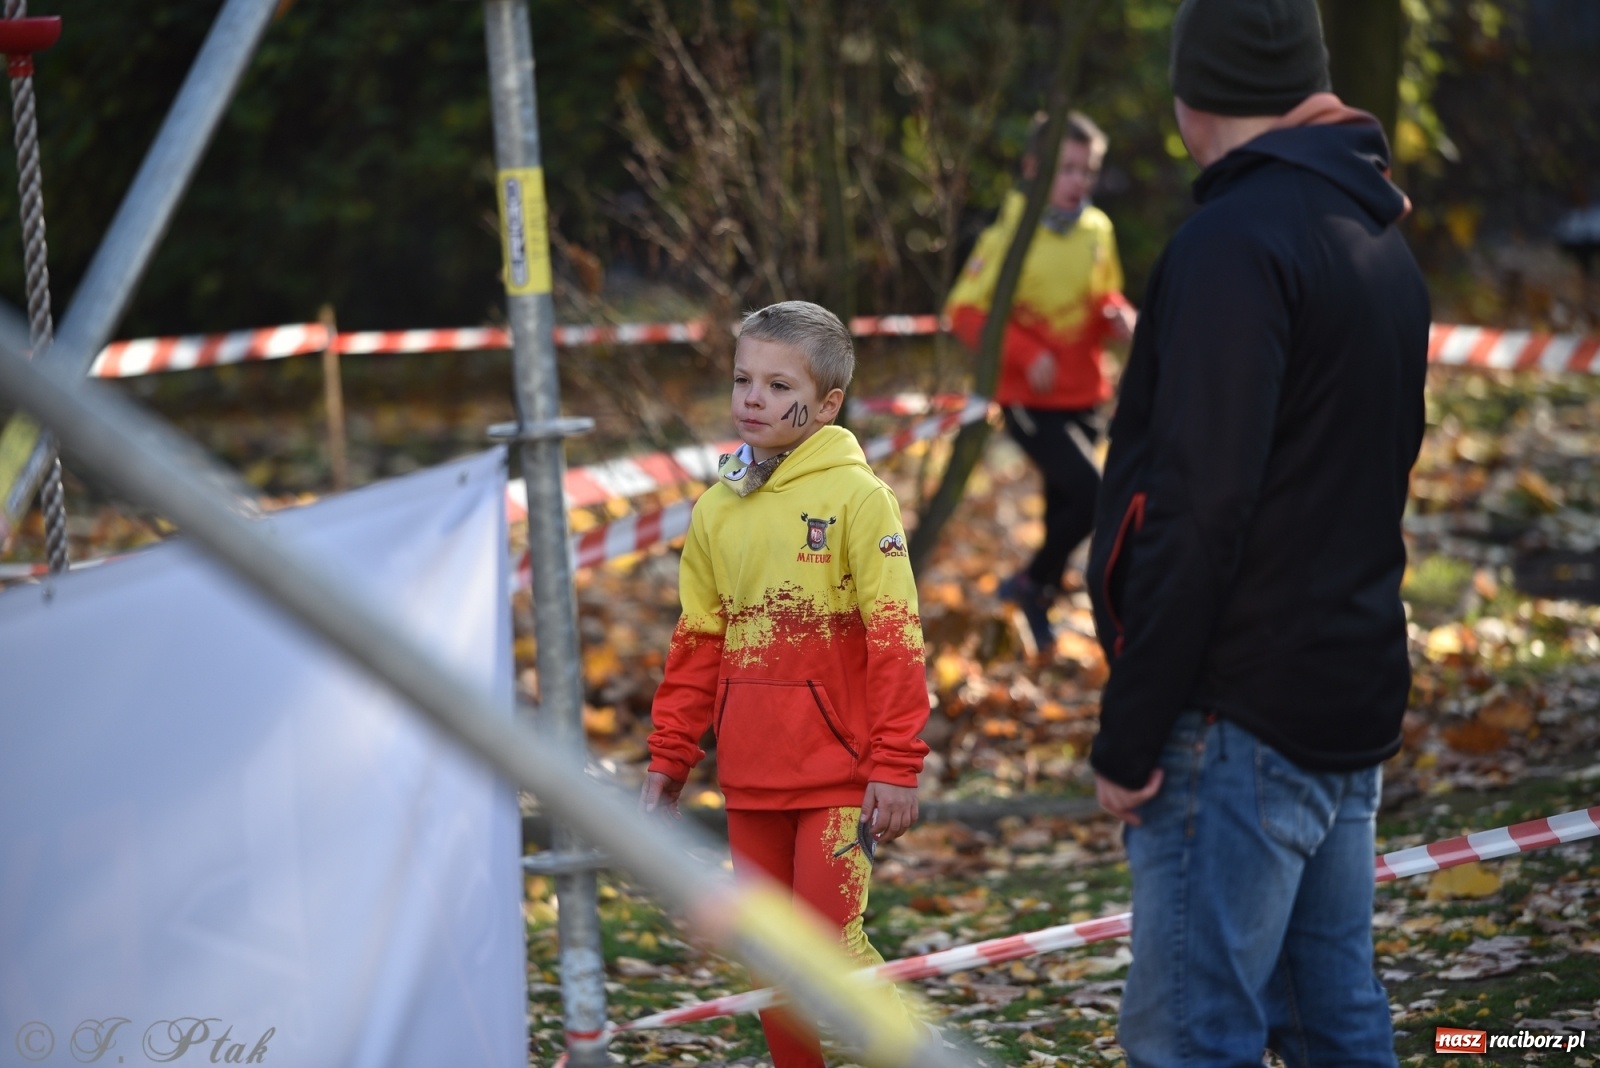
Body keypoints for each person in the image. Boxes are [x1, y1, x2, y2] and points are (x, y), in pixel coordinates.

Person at [1085, 0, 1430, 1065]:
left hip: (1232, 720)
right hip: (1340, 694)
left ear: (1197, 97)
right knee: (1335, 1024)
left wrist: (1132, 732)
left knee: (1193, 1039)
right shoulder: (1373, 231)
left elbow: (1196, 505)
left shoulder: (1233, 244)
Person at [639, 300, 930, 1068]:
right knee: (772, 962)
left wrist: (896, 765)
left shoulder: (859, 501)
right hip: (749, 778)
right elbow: (697, 647)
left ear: (827, 403)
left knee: (832, 940)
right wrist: (670, 760)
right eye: (742, 381)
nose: (752, 399)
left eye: (776, 385)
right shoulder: (715, 510)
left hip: (837, 778)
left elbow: (897, 642)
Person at [944, 111, 1136, 653]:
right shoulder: (1010, 234)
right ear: (1033, 169)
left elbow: (1106, 297)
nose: (1079, 181)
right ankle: (1029, 583)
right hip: (1026, 398)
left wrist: (1121, 317)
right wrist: (1026, 352)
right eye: (1066, 169)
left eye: (1088, 170)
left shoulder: (1098, 229)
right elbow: (962, 312)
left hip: (1084, 392)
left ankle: (1038, 610)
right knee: (1095, 494)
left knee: (1065, 509)